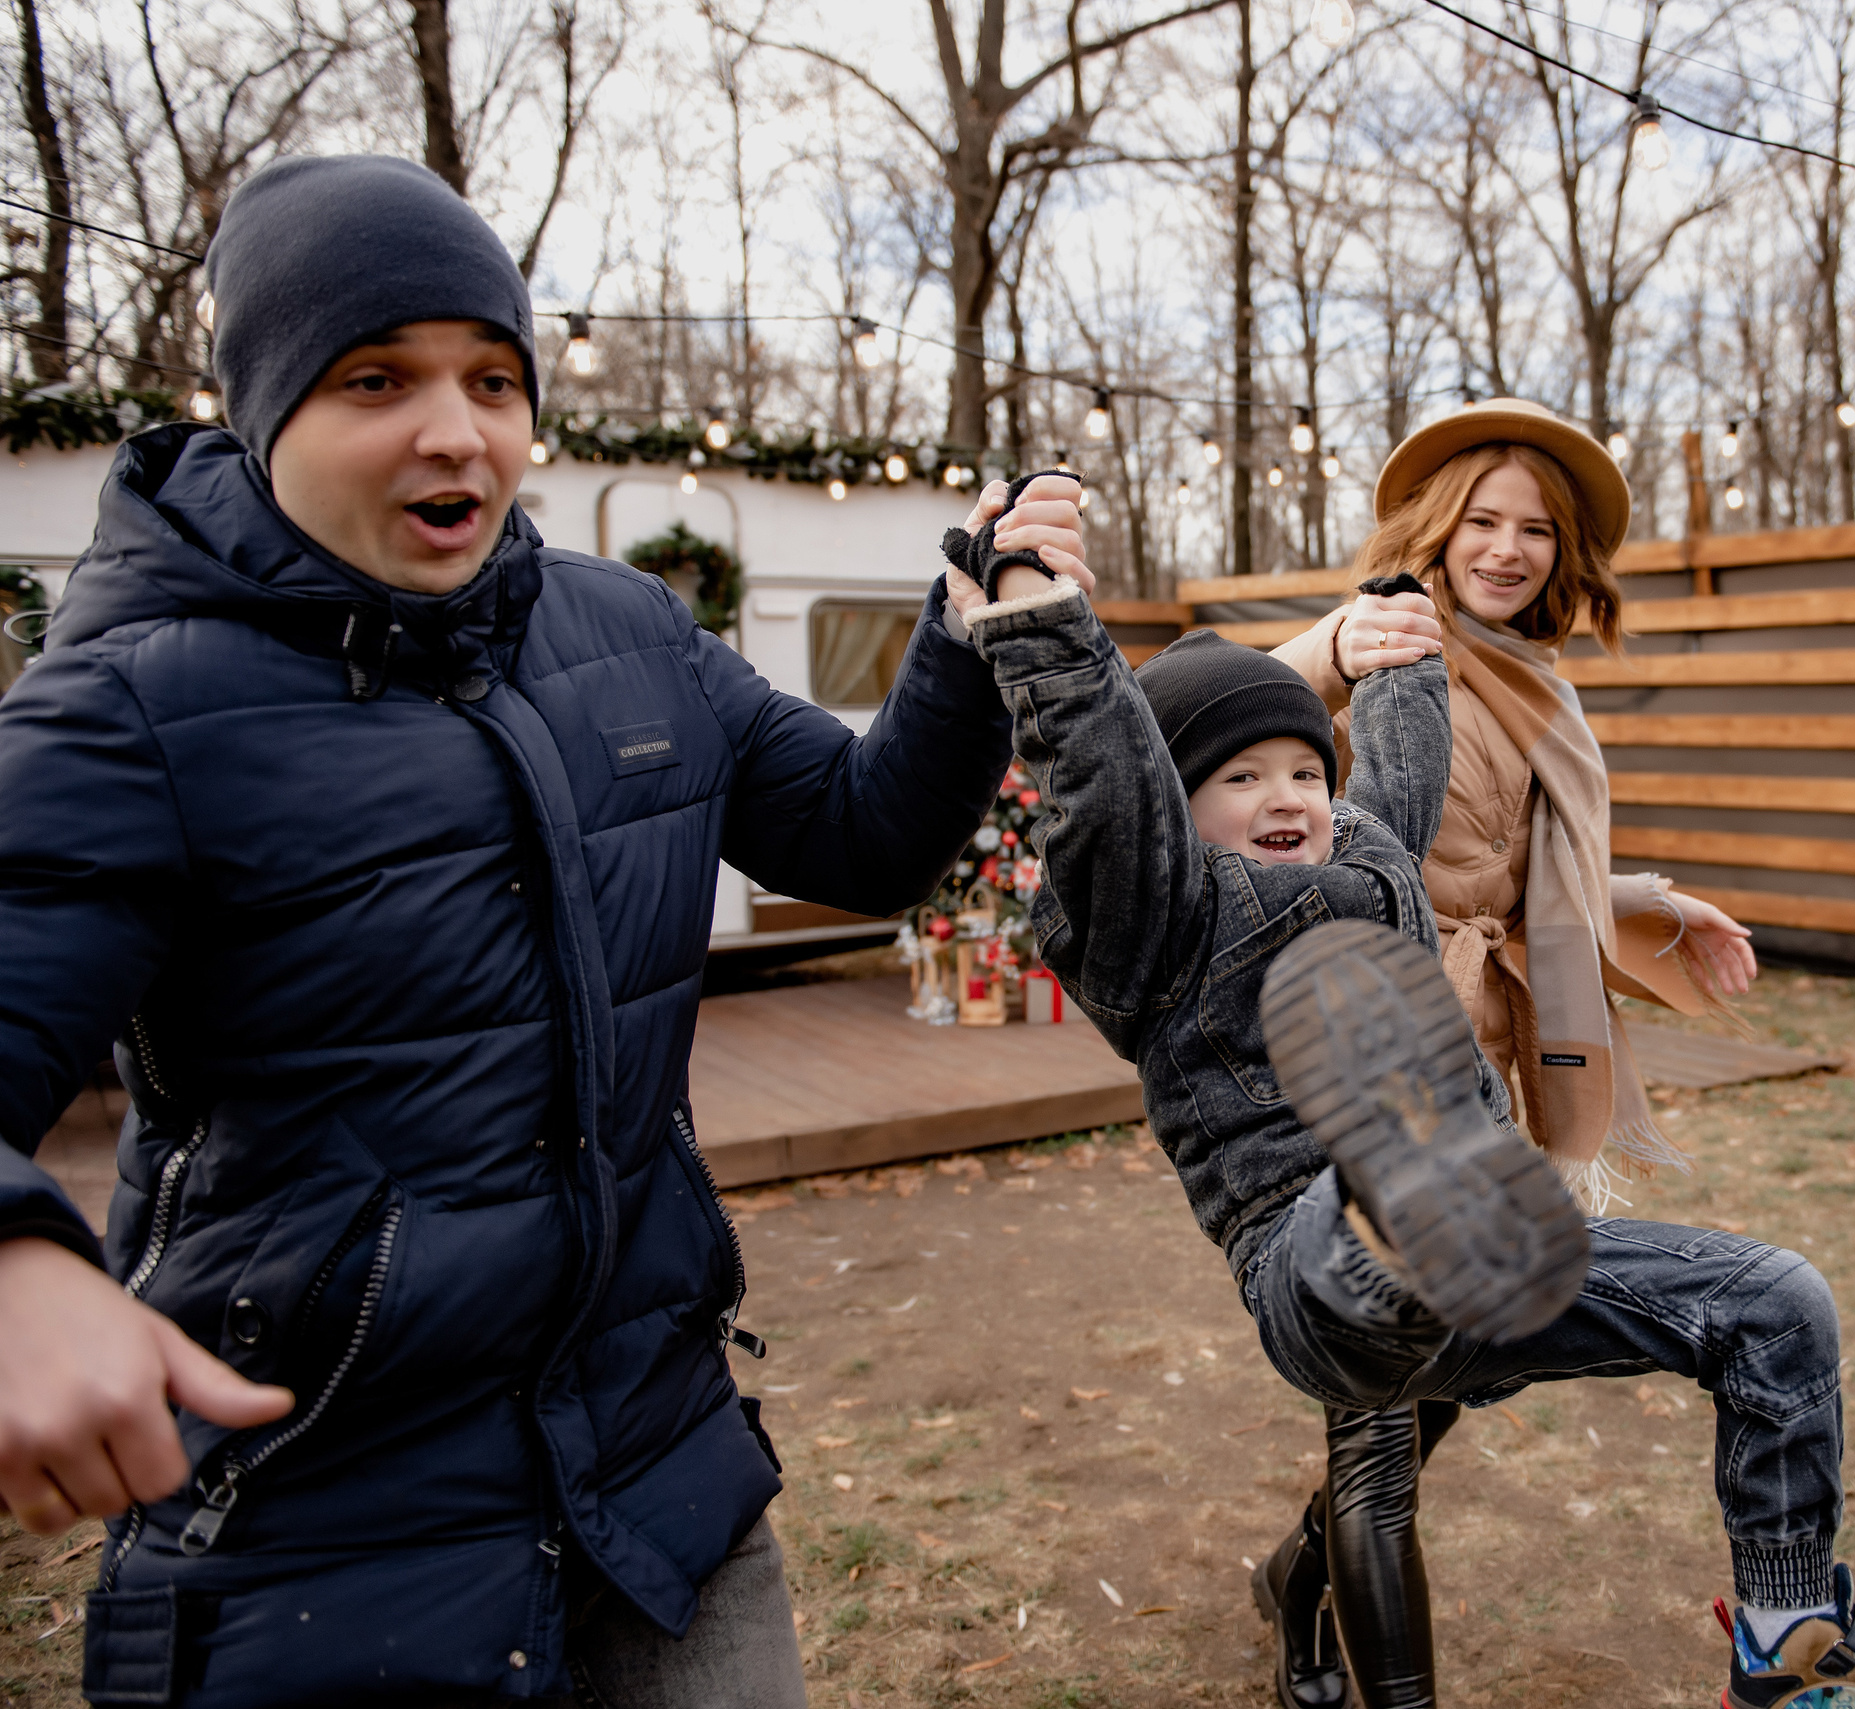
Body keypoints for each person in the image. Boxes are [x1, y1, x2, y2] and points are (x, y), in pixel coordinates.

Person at [0, 155, 1081, 1708]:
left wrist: (966, 641)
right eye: (377, 378)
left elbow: (867, 839)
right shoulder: (133, 707)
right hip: (327, 1538)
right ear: (258, 407)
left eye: (493, 379)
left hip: (661, 1477)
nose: (457, 430)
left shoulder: (629, 633)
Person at [954, 468, 1855, 1709]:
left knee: (1778, 1301)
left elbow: (1412, 762)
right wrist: (1035, 612)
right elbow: (1101, 769)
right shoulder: (1156, 917)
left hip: (1490, 1248)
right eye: (1239, 779)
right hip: (1318, 1263)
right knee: (1391, 1267)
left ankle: (1785, 1631)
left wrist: (1407, 642)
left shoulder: (1376, 850)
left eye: (1303, 769)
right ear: (1176, 813)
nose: (1286, 794)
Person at [1256, 398, 1765, 1708]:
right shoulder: (1390, 638)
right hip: (1376, 1050)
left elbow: (1537, 878)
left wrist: (1662, 903)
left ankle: (1294, 1572)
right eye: (1481, 520)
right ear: (1436, 528)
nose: (1505, 547)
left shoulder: (1537, 677)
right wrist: (1331, 644)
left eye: (1533, 528)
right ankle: (1329, 1636)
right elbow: (1226, 711)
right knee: (1378, 1426)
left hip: (1498, 1061)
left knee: (1450, 1367)